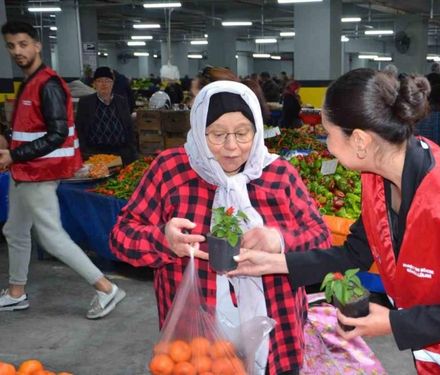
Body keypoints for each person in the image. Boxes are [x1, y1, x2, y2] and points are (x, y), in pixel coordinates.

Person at [231, 68, 440, 374]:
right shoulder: (379, 177)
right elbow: (356, 252)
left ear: (359, 140)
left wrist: (394, 323)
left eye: (328, 135)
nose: (326, 146)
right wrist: (275, 262)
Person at [109, 80, 331, 375]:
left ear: (257, 131)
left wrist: (279, 240)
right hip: (196, 343)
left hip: (276, 334)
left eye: (242, 133)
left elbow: (320, 237)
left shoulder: (279, 174)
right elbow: (121, 236)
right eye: (217, 134)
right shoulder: (171, 170)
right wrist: (163, 240)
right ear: (199, 131)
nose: (231, 147)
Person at [0, 21, 126, 319]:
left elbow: (56, 135)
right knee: (15, 229)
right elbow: (32, 128)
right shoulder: (31, 83)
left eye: (23, 44)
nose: (17, 51)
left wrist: (13, 155)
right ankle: (16, 292)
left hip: (39, 173)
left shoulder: (49, 85)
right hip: (24, 171)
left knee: (52, 236)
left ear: (37, 45)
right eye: (11, 46)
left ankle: (106, 288)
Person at [76, 66, 138, 165]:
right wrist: (84, 152)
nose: (104, 84)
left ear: (113, 83)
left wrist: (132, 151)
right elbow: (80, 128)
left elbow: (129, 127)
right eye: (100, 81)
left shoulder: (121, 101)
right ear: (94, 84)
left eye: (107, 81)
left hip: (121, 152)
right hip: (96, 153)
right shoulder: (86, 103)